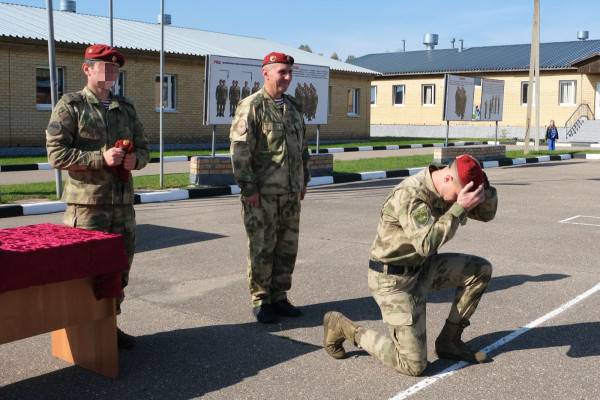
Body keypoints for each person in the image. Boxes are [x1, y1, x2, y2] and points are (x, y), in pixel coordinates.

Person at [323, 154, 498, 376]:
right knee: (414, 366)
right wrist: (458, 209)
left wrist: (484, 185)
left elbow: (487, 214)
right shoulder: (411, 194)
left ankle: (449, 342)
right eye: (456, 197)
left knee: (480, 270)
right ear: (446, 179)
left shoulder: (451, 187)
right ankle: (344, 327)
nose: (456, 202)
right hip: (392, 281)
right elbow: (426, 243)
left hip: (422, 269)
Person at [46, 44, 149, 349]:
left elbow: (143, 148)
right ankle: (83, 335)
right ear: (87, 69)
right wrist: (98, 159)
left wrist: (136, 161)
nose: (110, 73)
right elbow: (56, 154)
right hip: (87, 209)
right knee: (86, 273)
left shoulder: (125, 107)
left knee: (118, 272)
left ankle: (109, 326)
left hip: (122, 206)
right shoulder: (71, 106)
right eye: (103, 67)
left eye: (114, 69)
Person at [230, 51, 310, 324]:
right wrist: (248, 188)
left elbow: (303, 149)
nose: (287, 78)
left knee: (287, 248)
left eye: (290, 72)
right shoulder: (251, 106)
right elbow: (240, 152)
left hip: (290, 192)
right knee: (262, 248)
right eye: (282, 72)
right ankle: (261, 300)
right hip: (261, 195)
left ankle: (279, 296)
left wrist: (304, 180)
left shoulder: (294, 106)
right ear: (266, 73)